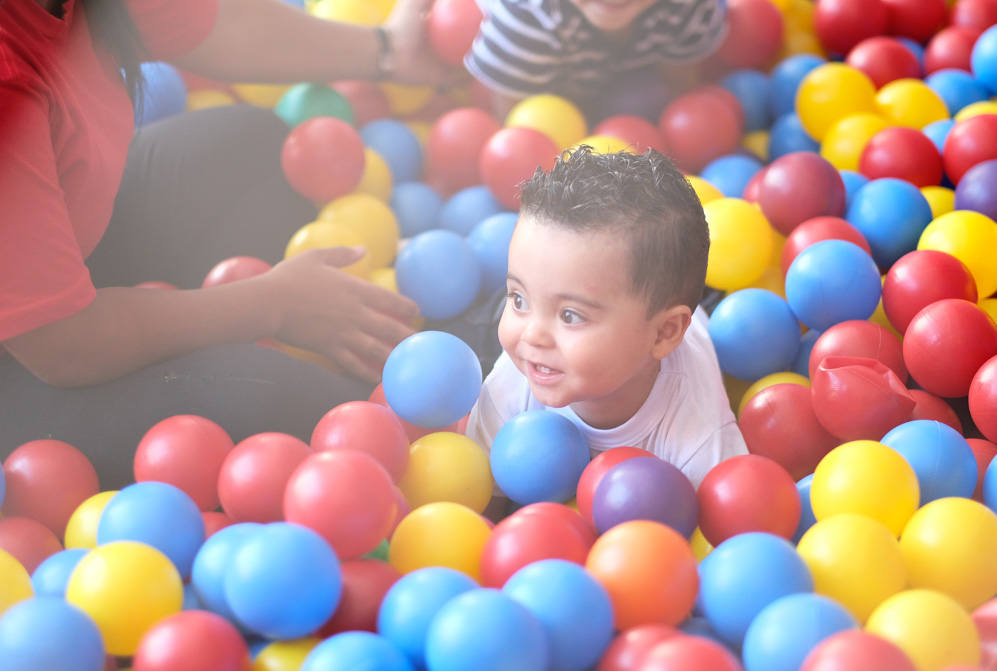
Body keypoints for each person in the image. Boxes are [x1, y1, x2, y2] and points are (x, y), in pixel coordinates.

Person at [0, 0, 458, 490]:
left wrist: (387, 50)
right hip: (37, 355)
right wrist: (275, 302)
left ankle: (215, 333)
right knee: (275, 404)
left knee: (254, 155)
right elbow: (64, 345)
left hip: (52, 258)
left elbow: (224, 26)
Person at [466, 145, 748, 495]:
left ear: (663, 333)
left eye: (570, 316)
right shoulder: (511, 383)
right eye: (518, 299)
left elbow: (727, 536)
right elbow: (479, 506)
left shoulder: (699, 435)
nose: (532, 335)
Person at [463, 0, 728, 119]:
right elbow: (520, 132)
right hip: (533, 76)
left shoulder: (689, 6)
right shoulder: (528, 19)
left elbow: (680, 95)